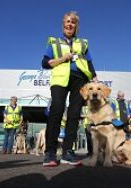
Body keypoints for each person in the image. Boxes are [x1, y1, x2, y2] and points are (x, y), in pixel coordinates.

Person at [41, 11, 97, 167]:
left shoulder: (83, 44)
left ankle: (67, 152)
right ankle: (50, 153)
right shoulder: (54, 42)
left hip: (80, 79)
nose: (70, 24)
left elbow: (90, 65)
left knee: (74, 114)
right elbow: (45, 63)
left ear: (76, 26)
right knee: (57, 109)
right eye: (67, 21)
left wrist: (95, 81)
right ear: (63, 25)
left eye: (73, 22)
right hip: (60, 79)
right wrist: (63, 58)